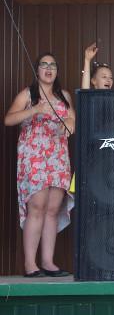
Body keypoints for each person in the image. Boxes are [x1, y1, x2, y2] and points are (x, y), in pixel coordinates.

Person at [4, 53, 75, 277]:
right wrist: (35, 109)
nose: (48, 68)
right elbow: (8, 119)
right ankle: (30, 264)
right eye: (44, 64)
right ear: (37, 70)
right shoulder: (28, 94)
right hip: (34, 156)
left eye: (52, 65)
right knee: (37, 207)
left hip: (58, 156)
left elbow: (72, 119)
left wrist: (70, 122)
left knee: (52, 209)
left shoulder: (64, 95)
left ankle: (48, 262)